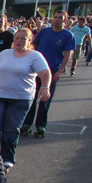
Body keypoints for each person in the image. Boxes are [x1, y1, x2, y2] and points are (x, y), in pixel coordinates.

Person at [0, 28, 51, 168]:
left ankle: (7, 158)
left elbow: (45, 73)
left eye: (23, 38)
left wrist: (45, 87)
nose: (19, 41)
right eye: (17, 38)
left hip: (20, 99)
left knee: (11, 129)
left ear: (29, 41)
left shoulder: (34, 56)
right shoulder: (5, 54)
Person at [20, 9, 74, 139]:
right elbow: (33, 47)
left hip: (52, 70)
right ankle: (27, 123)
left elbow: (67, 54)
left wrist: (60, 71)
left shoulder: (68, 35)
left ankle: (40, 125)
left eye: (60, 18)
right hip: (36, 69)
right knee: (32, 97)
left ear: (65, 20)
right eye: (56, 17)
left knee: (45, 99)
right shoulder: (44, 32)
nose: (57, 20)